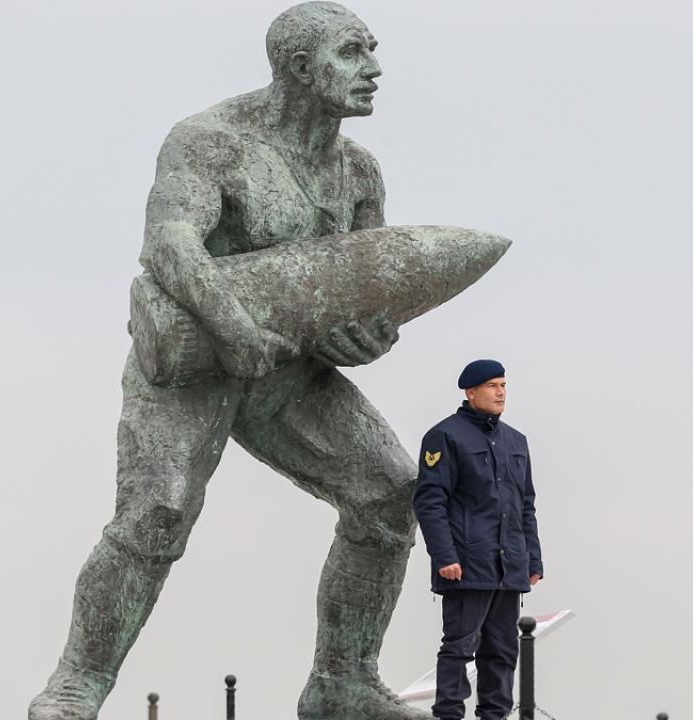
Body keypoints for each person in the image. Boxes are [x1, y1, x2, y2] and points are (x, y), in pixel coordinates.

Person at [29, 4, 430, 719]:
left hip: (289, 374)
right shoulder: (210, 142)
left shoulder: (359, 173)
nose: (374, 69)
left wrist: (370, 338)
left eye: (373, 50)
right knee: (157, 513)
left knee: (388, 491)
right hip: (189, 365)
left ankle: (342, 682)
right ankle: (77, 685)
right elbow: (169, 241)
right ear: (302, 70)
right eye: (352, 53)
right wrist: (231, 323)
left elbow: (373, 289)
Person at [412, 360, 544, 720]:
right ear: (470, 392)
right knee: (459, 648)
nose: (500, 392)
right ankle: (449, 715)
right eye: (491, 386)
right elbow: (430, 500)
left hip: (509, 567)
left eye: (503, 385)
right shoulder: (445, 436)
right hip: (466, 565)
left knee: (502, 652)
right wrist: (444, 556)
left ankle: (494, 716)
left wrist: (533, 559)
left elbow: (525, 505)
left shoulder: (516, 441)